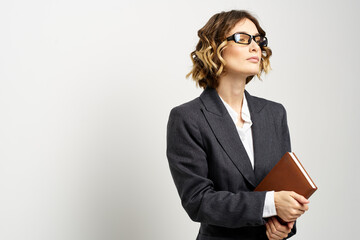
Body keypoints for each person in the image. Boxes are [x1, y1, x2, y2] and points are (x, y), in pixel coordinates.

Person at [166, 10, 309, 240]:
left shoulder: (274, 114)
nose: (255, 47)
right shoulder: (188, 118)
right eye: (243, 38)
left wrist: (285, 225)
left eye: (258, 40)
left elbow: (285, 187)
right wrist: (270, 203)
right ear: (215, 48)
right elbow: (198, 201)